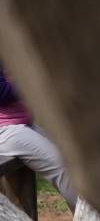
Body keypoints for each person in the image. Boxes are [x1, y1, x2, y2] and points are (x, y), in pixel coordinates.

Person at [0, 65, 77, 212]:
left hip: (22, 123)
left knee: (72, 161)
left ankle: (89, 214)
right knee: (62, 167)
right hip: (5, 130)